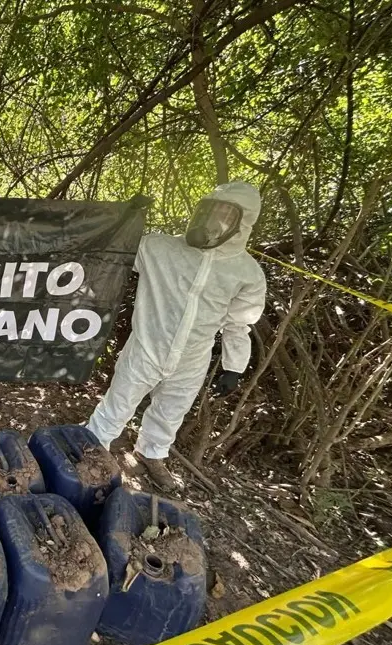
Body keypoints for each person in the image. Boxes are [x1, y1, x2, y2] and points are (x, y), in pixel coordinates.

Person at [86, 181, 267, 491]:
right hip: (146, 346)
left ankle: (151, 454)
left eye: (226, 213)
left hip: (193, 358)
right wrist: (125, 217)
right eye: (211, 209)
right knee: (119, 402)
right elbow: (116, 252)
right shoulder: (160, 248)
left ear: (244, 222)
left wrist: (234, 366)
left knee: (171, 412)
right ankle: (94, 449)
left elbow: (239, 323)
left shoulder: (246, 272)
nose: (215, 219)